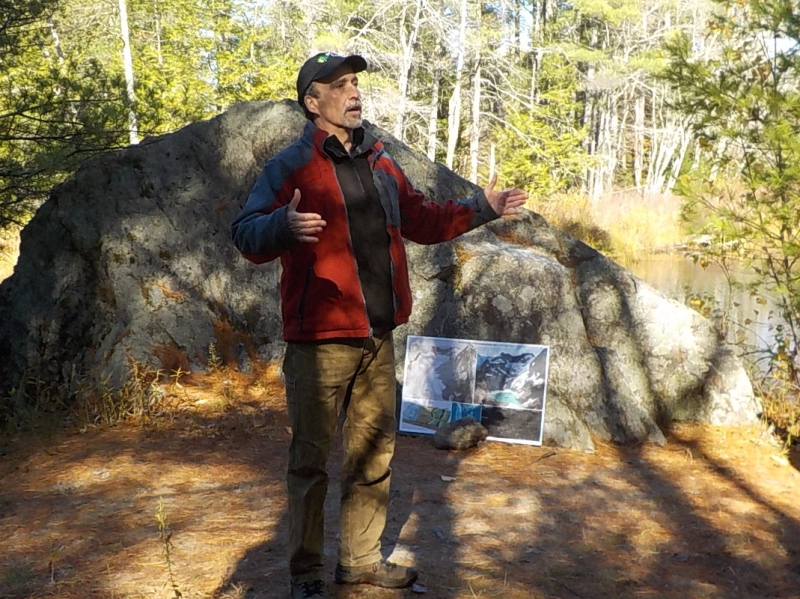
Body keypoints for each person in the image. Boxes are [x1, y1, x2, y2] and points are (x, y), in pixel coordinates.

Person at [231, 51, 528, 599]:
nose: (353, 93)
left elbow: (423, 219)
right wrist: (283, 225)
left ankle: (360, 563)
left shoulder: (380, 160)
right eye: (339, 85)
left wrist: (480, 206)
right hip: (319, 344)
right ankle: (305, 577)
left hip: (379, 336)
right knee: (310, 465)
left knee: (373, 457)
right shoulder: (290, 167)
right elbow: (245, 233)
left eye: (355, 83)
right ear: (312, 102)